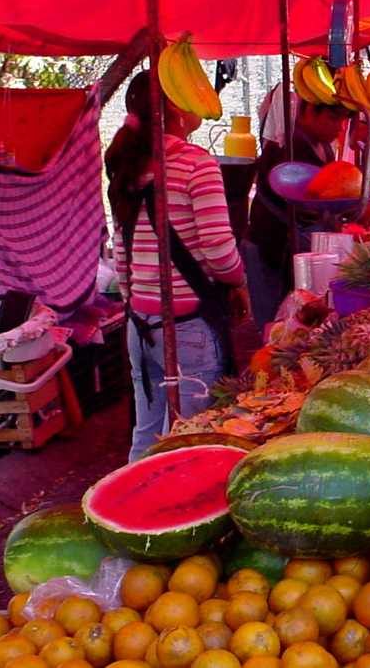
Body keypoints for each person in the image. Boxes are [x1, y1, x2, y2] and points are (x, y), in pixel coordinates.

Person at [106, 70, 247, 461]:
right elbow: (219, 250)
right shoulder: (196, 165)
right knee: (188, 440)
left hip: (140, 326)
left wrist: (137, 303)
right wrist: (238, 281)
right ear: (174, 108)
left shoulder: (127, 165)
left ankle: (132, 510)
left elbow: (122, 252)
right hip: (188, 329)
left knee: (148, 431)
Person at [245, 99, 351, 326]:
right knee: (274, 322)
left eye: (342, 120)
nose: (339, 127)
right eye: (333, 118)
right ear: (310, 111)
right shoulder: (289, 146)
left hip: (292, 246)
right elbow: (303, 201)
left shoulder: (322, 146)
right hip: (270, 246)